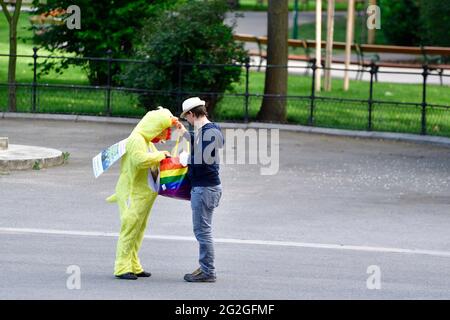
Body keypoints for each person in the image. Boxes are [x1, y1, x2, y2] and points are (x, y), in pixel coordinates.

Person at [106, 107, 179, 280]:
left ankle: (134, 265)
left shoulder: (147, 141)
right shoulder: (136, 140)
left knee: (138, 230)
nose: (164, 135)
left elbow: (156, 160)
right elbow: (139, 161)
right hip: (133, 193)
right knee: (130, 228)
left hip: (145, 194)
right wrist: (161, 155)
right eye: (162, 130)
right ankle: (122, 267)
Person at [178, 97, 224, 282]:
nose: (186, 121)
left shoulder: (208, 132)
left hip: (205, 188)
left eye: (186, 117)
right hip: (207, 187)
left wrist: (186, 160)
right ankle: (206, 267)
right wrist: (185, 134)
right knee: (203, 230)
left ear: (191, 113)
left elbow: (204, 159)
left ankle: (208, 271)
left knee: (202, 232)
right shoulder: (208, 130)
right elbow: (202, 148)